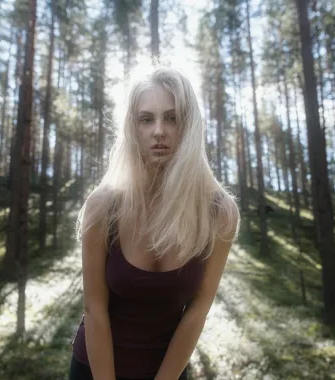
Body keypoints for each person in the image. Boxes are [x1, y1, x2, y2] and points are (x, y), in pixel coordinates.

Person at [69, 64, 240, 380]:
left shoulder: (220, 212)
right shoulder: (103, 205)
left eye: (172, 118)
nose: (159, 131)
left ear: (189, 126)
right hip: (94, 370)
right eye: (146, 119)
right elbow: (95, 311)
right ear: (132, 128)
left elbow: (198, 311)